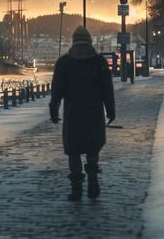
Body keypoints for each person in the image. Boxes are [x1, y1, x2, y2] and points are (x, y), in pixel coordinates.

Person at [49, 25, 116, 201]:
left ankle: (76, 188)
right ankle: (93, 180)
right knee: (93, 146)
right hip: (94, 113)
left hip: (73, 114)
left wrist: (54, 109)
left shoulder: (64, 62)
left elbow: (57, 90)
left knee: (74, 150)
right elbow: (107, 89)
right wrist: (111, 110)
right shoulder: (99, 62)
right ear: (89, 41)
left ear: (73, 41)